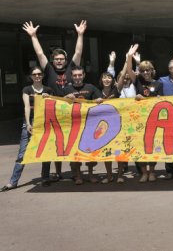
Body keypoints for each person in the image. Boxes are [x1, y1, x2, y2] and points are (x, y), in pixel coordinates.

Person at [22, 20, 87, 183]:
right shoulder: (49, 69)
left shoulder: (72, 67)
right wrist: (33, 36)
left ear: (65, 60)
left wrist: (80, 35)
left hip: (72, 112)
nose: (59, 61)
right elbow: (40, 54)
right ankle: (57, 172)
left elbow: (78, 52)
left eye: (61, 59)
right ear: (53, 60)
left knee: (73, 141)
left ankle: (75, 172)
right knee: (55, 142)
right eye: (56, 59)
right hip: (53, 112)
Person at [2, 67, 53, 191]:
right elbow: (27, 107)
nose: (37, 76)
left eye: (39, 74)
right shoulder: (27, 89)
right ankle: (13, 182)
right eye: (34, 74)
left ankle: (45, 178)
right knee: (22, 153)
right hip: (30, 123)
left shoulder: (48, 90)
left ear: (43, 76)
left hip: (44, 124)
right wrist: (28, 123)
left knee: (45, 151)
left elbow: (51, 109)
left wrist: (48, 98)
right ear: (31, 76)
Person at [126, 47, 164, 183]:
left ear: (152, 71)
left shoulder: (159, 84)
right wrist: (129, 56)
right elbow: (129, 70)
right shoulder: (137, 81)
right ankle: (143, 172)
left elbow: (161, 101)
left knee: (152, 146)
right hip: (139, 119)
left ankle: (152, 172)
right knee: (139, 146)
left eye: (148, 70)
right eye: (143, 70)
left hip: (154, 119)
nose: (146, 72)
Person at [62, 66, 103, 185]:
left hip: (90, 126)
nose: (77, 78)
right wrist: (65, 98)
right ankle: (78, 176)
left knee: (90, 153)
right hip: (73, 126)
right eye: (75, 75)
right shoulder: (66, 89)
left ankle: (91, 175)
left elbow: (99, 100)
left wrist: (100, 99)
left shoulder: (91, 87)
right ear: (71, 76)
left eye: (79, 75)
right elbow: (58, 104)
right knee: (75, 153)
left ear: (83, 75)